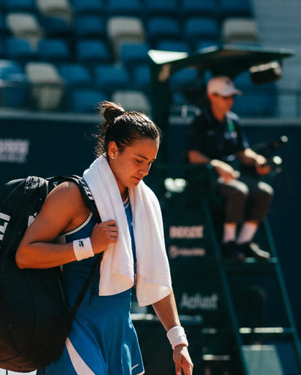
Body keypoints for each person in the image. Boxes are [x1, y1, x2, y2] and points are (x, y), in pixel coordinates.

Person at [16, 101, 194, 375]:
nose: (145, 170)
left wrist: (178, 340)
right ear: (113, 150)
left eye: (150, 162)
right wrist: (87, 246)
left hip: (120, 331)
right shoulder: (71, 194)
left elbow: (156, 275)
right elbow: (25, 255)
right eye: (138, 160)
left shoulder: (145, 203)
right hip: (75, 329)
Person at [186, 75, 274, 260]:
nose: (230, 101)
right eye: (225, 97)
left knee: (264, 191)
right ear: (212, 96)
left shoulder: (233, 120)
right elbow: (193, 155)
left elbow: (243, 152)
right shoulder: (201, 121)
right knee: (239, 191)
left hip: (233, 174)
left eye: (232, 97)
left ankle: (245, 242)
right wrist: (215, 165)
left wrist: (258, 160)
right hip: (208, 178)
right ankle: (229, 243)